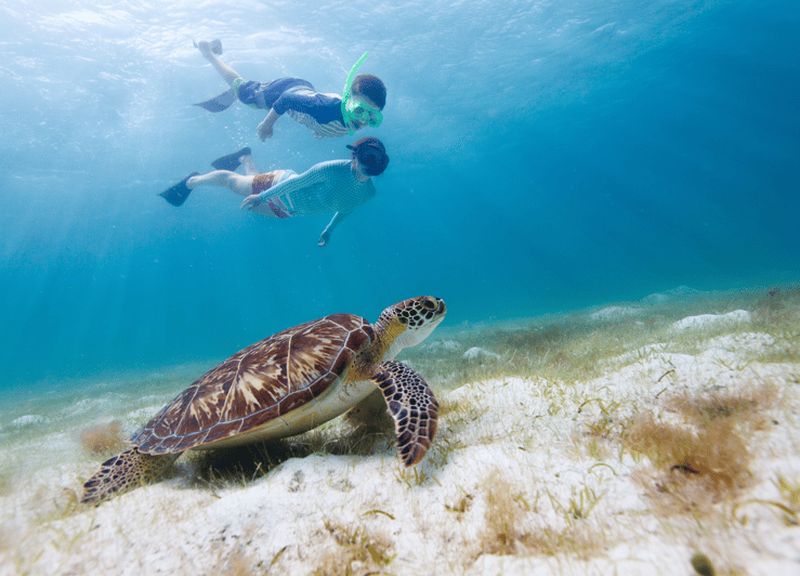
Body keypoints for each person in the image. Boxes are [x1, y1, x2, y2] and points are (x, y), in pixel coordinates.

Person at [159, 138, 390, 247]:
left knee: (248, 200)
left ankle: (245, 157)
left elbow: (345, 209)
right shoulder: (331, 169)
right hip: (278, 185)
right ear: (355, 157)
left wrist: (329, 231)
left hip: (289, 211)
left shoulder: (368, 193)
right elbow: (297, 183)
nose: (368, 164)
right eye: (367, 159)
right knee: (234, 183)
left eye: (373, 161)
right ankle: (192, 181)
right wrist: (262, 196)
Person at [193, 40, 386, 140]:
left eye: (372, 118)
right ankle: (208, 52)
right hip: (286, 92)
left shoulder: (347, 117)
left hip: (303, 90)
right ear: (347, 100)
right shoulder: (325, 108)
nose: (363, 121)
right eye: (360, 111)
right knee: (246, 96)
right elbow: (286, 99)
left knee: (257, 96)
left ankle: (253, 88)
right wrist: (267, 125)